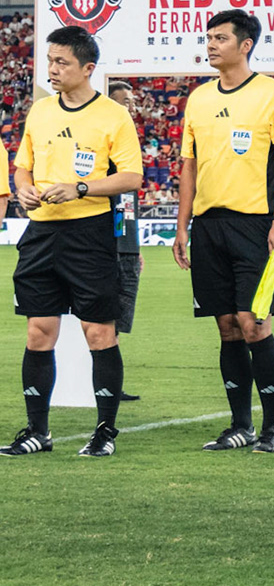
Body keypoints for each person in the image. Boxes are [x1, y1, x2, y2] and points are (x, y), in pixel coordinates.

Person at [1, 28, 141, 460]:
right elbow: (22, 166)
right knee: (38, 331)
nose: (53, 69)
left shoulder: (113, 116)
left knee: (99, 332)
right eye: (50, 61)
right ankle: (36, 432)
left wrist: (81, 188)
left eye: (62, 62)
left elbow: (132, 178)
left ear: (88, 69)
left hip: (90, 235)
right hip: (41, 235)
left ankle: (105, 431)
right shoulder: (40, 111)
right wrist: (22, 188)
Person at [175, 9, 274, 454]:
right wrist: (182, 226)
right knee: (227, 326)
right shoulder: (198, 98)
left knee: (254, 324)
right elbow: (188, 166)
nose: (210, 44)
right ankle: (239, 425)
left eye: (220, 38)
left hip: (256, 225)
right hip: (208, 226)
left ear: (245, 44)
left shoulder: (273, 94)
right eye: (208, 37)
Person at [106, 81, 144, 403]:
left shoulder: (128, 149)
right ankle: (106, 385)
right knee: (108, 320)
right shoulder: (109, 150)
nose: (132, 107)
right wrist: (121, 244)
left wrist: (135, 246)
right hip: (115, 246)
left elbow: (127, 206)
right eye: (126, 101)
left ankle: (111, 384)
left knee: (118, 322)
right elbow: (117, 206)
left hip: (127, 245)